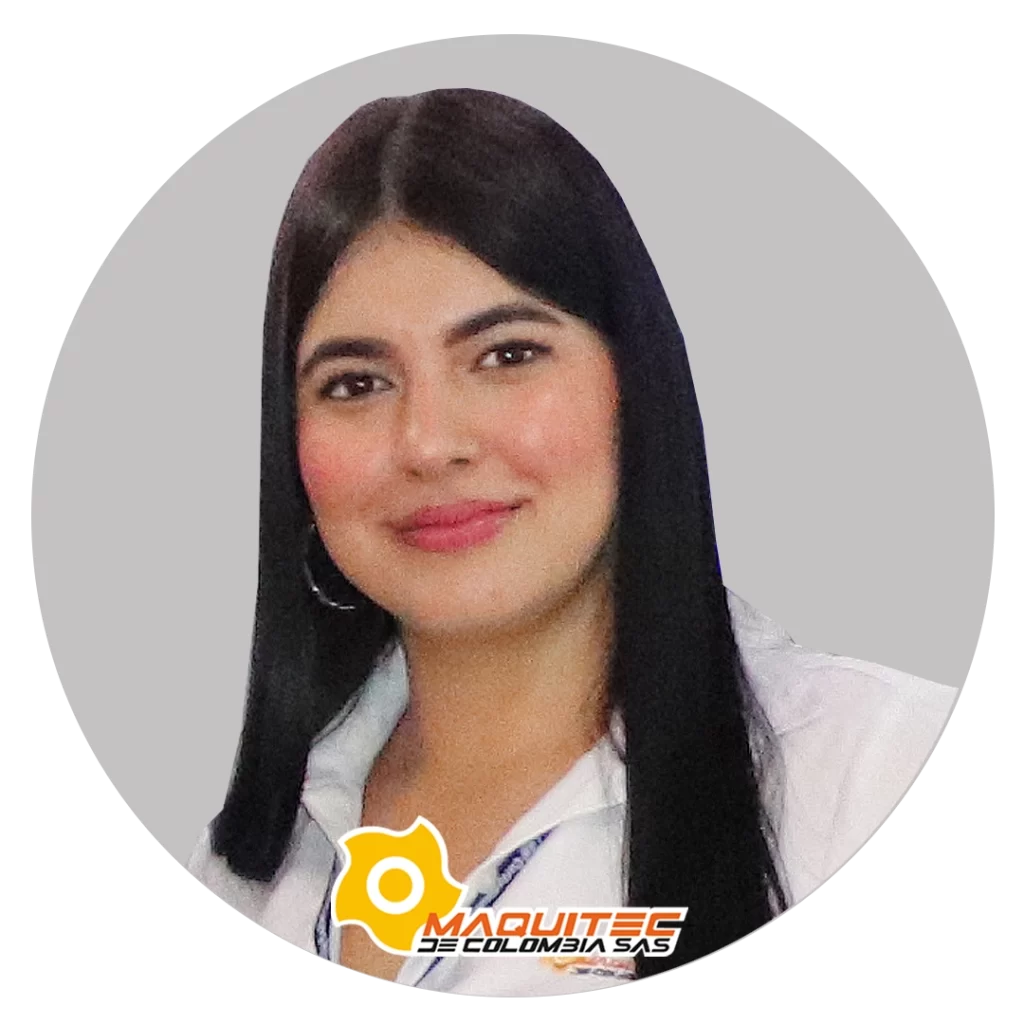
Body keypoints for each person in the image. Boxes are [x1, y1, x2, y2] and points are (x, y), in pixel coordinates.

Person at [188, 88, 956, 995]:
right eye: (356, 383)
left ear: (636, 383)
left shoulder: (877, 773)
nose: (430, 444)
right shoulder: (252, 864)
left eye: (506, 355)